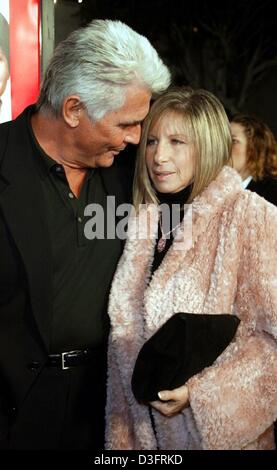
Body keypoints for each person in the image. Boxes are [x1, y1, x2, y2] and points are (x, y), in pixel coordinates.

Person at [0, 19, 170, 450]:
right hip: (12, 411)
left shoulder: (132, 179)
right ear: (74, 109)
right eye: (126, 124)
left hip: (103, 409)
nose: (136, 139)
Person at [106, 87, 277, 450]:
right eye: (151, 141)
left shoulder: (253, 216)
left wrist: (200, 396)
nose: (159, 156)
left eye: (177, 141)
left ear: (210, 146)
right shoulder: (143, 222)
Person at [230, 114, 277, 205]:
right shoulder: (207, 183)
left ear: (254, 149)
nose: (223, 147)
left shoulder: (272, 195)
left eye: (233, 141)